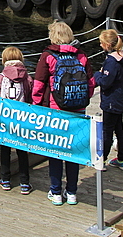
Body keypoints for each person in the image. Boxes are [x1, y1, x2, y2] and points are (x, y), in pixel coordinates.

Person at [33, 21, 94, 206]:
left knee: (56, 151)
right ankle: (72, 192)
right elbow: (90, 83)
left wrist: (36, 105)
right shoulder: (81, 55)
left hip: (55, 111)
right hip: (78, 110)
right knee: (73, 151)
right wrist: (82, 100)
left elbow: (39, 84)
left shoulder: (48, 55)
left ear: (53, 35)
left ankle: (56, 192)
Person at [0, 45, 33, 194]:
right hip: (21, 119)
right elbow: (30, 97)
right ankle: (24, 182)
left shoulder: (1, 77)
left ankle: (5, 179)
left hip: (4, 119)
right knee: (22, 151)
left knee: (5, 149)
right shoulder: (27, 77)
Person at [92, 30, 123, 171]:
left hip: (111, 101)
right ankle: (122, 158)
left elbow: (105, 82)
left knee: (106, 131)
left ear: (108, 45)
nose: (100, 45)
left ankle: (102, 160)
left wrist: (97, 75)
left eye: (102, 43)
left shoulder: (111, 62)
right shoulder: (122, 57)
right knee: (119, 129)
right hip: (121, 98)